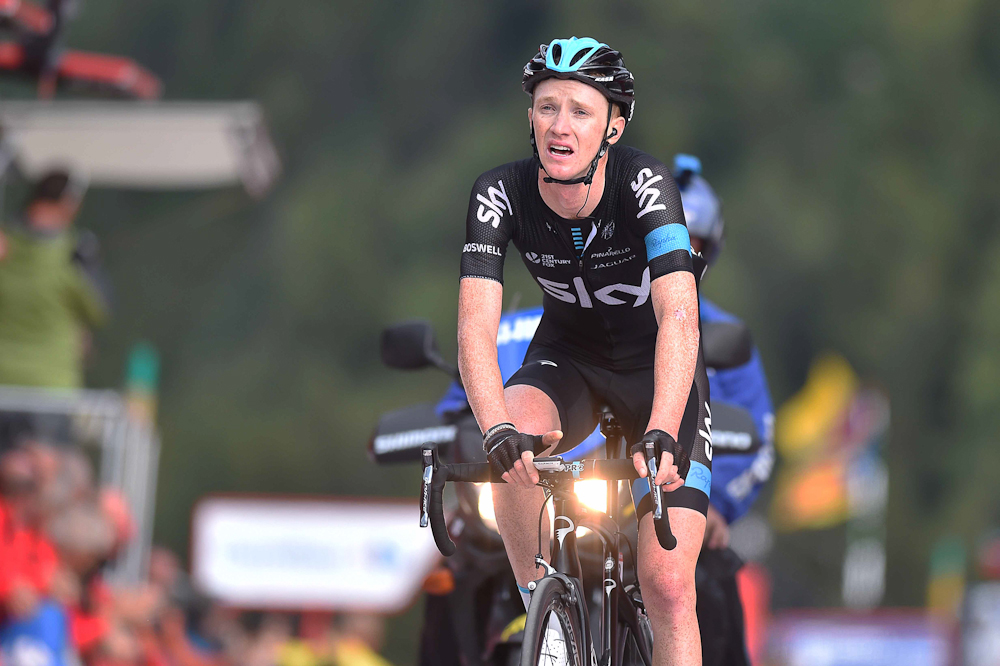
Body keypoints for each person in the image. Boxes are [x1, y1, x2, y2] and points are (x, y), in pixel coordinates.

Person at [458, 37, 710, 665]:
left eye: (579, 110)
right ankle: (543, 619)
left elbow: (679, 317)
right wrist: (495, 431)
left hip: (658, 371)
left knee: (670, 586)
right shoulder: (499, 193)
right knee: (511, 437)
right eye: (547, 108)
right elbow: (473, 334)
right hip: (566, 357)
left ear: (612, 128)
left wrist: (660, 429)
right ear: (530, 118)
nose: (559, 126)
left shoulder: (647, 187)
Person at [670, 155, 774, 666]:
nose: (678, 258)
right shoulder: (576, 304)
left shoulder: (726, 337)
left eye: (695, 247)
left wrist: (716, 507)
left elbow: (759, 439)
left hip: (670, 506)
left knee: (712, 583)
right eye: (661, 241)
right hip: (580, 494)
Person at [0, 169, 108, 393]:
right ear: (69, 204)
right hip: (50, 385)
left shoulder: (5, 243)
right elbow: (100, 310)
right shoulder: (73, 253)